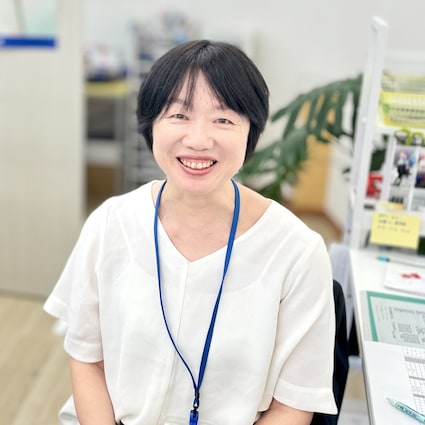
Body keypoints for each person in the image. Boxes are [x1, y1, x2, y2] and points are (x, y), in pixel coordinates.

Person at [44, 39, 337, 425]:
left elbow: (292, 405)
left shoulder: (297, 252)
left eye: (223, 119)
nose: (198, 140)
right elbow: (87, 358)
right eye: (179, 115)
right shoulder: (111, 223)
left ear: (251, 131)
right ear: (151, 125)